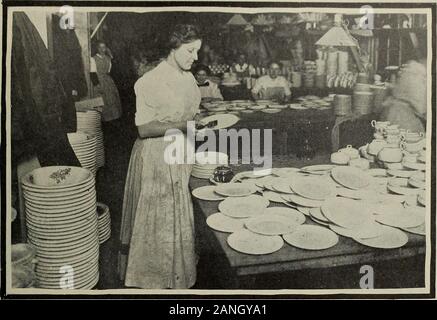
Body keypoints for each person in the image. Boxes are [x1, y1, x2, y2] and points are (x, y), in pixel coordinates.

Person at [119, 24, 202, 289]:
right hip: (157, 157)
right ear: (173, 46)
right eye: (190, 51)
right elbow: (144, 129)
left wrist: (199, 122)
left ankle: (178, 273)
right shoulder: (150, 81)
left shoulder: (187, 77)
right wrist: (184, 126)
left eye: (197, 51)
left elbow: (188, 113)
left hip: (180, 152)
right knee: (159, 218)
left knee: (178, 214)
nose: (195, 57)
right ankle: (154, 279)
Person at [379, 59, 427, 133]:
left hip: (398, 112)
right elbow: (421, 106)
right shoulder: (417, 70)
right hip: (403, 116)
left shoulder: (413, 68)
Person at [90, 41, 122, 122]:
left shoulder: (108, 58)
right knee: (102, 101)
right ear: (97, 48)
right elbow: (93, 73)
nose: (102, 49)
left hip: (108, 81)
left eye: (103, 47)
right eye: (100, 47)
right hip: (98, 81)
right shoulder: (93, 59)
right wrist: (97, 85)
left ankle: (113, 120)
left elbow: (108, 71)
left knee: (111, 100)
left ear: (106, 48)